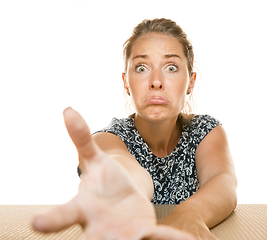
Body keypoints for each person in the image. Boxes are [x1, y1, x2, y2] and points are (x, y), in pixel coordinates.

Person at [33, 18, 238, 240]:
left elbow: (223, 181)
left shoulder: (205, 130)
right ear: (125, 82)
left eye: (171, 67)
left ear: (191, 82)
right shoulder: (107, 138)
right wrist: (118, 190)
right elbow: (121, 166)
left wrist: (190, 214)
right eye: (141, 68)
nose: (156, 82)